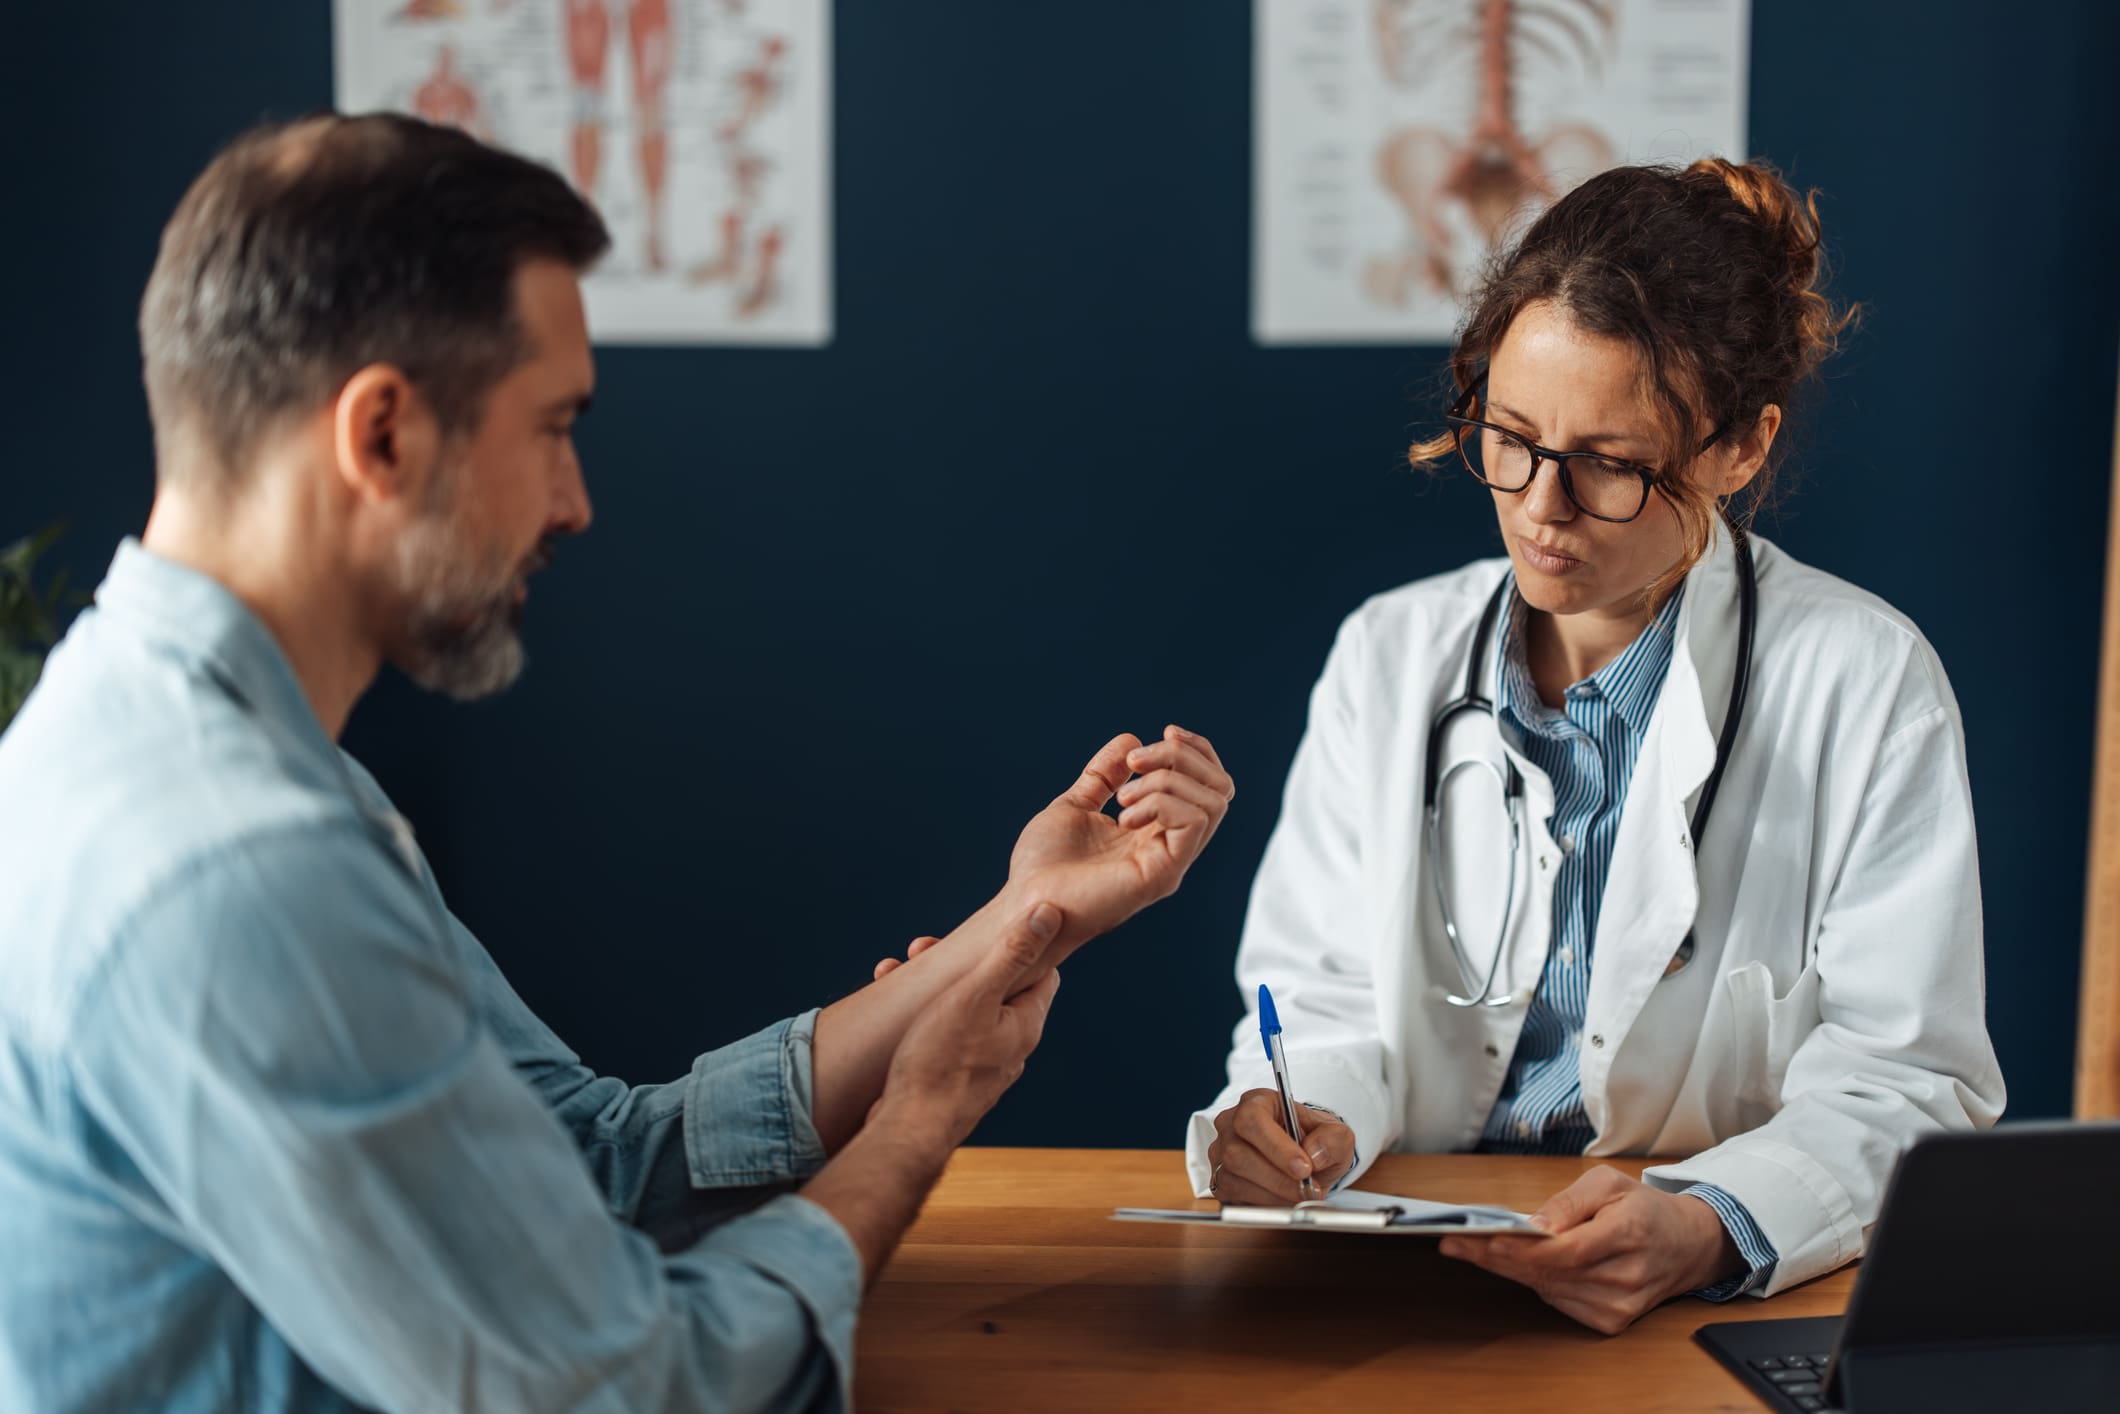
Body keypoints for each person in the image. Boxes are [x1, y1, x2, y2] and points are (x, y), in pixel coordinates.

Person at [0, 113, 1237, 1413]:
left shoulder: (177, 754)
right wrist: (915, 1126)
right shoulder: (246, 866)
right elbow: (637, 1390)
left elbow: (585, 1160)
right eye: (553, 427)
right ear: (383, 435)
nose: (575, 501)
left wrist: (1015, 926)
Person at [1183, 159, 2005, 1333]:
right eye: (1510, 438)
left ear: (1739, 448)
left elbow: (1907, 1076)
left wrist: (1705, 1222)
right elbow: (1320, 998)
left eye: (1610, 465)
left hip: (1690, 1300)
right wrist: (1296, 1116)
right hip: (1401, 1283)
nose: (1539, 506)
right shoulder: (1387, 654)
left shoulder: (1864, 681)